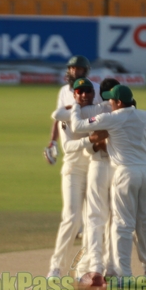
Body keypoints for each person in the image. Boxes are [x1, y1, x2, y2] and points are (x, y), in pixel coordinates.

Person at [70, 84, 146, 286]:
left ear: (117, 102)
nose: (108, 103)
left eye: (110, 101)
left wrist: (74, 107)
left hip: (124, 173)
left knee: (122, 225)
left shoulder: (111, 118)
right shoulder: (145, 115)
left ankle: (123, 275)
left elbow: (77, 126)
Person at [47, 78, 95, 278]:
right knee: (72, 218)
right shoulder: (66, 113)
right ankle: (56, 267)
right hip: (73, 169)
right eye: (79, 92)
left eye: (87, 92)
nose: (83, 95)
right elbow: (56, 114)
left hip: (93, 168)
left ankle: (84, 268)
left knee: (92, 220)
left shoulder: (97, 110)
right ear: (74, 95)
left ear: (93, 94)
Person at [44, 55, 100, 165]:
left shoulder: (97, 88)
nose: (74, 71)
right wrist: (53, 142)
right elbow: (58, 119)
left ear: (85, 71)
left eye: (78, 69)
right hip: (73, 144)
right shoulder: (64, 91)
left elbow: (107, 114)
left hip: (92, 140)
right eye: (72, 68)